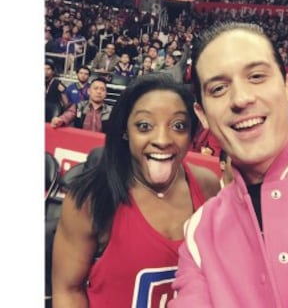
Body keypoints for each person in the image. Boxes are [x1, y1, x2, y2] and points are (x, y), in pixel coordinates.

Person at [169, 22, 288, 307]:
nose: (241, 99)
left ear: (287, 86)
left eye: (257, 76)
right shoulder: (201, 231)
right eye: (219, 88)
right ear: (202, 114)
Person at [51, 74, 220, 307]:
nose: (162, 139)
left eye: (178, 126)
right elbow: (67, 291)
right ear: (125, 131)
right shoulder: (91, 198)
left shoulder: (207, 185)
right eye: (144, 126)